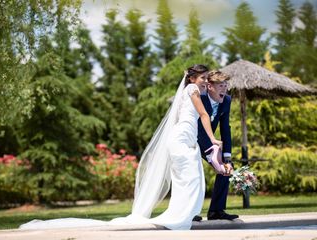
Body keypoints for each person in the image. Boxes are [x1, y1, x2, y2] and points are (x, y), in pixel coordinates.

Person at [19, 65, 222, 230]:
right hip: (181, 140)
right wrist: (213, 139)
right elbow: (203, 115)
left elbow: (183, 118)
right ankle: (180, 216)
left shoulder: (187, 93)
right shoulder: (192, 90)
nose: (205, 81)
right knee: (191, 177)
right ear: (192, 79)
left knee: (188, 177)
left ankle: (182, 215)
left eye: (206, 78)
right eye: (203, 77)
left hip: (183, 138)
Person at [193, 70, 239, 221]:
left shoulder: (226, 101)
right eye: (221, 85)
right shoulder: (200, 98)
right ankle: (189, 213)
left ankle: (216, 211)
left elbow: (225, 128)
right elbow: (199, 128)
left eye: (226, 85)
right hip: (191, 140)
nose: (224, 89)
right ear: (210, 86)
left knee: (225, 168)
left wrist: (226, 157)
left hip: (209, 141)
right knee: (193, 175)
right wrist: (211, 152)